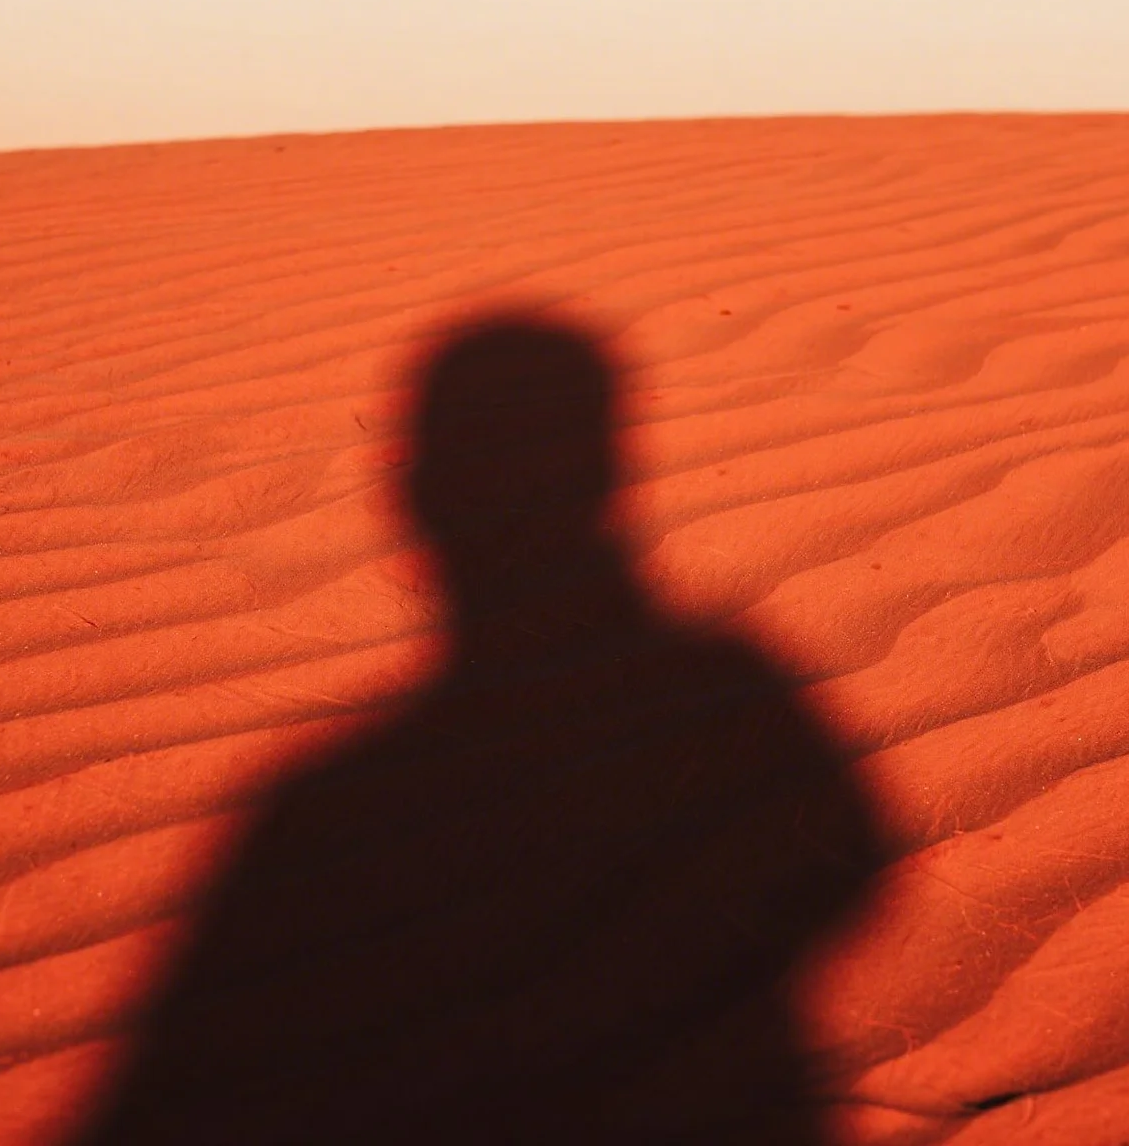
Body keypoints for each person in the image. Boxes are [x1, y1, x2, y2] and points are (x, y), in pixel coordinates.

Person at [78, 314, 886, 1144]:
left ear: (416, 500)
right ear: (610, 477)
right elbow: (849, 857)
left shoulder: (328, 809)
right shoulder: (735, 687)